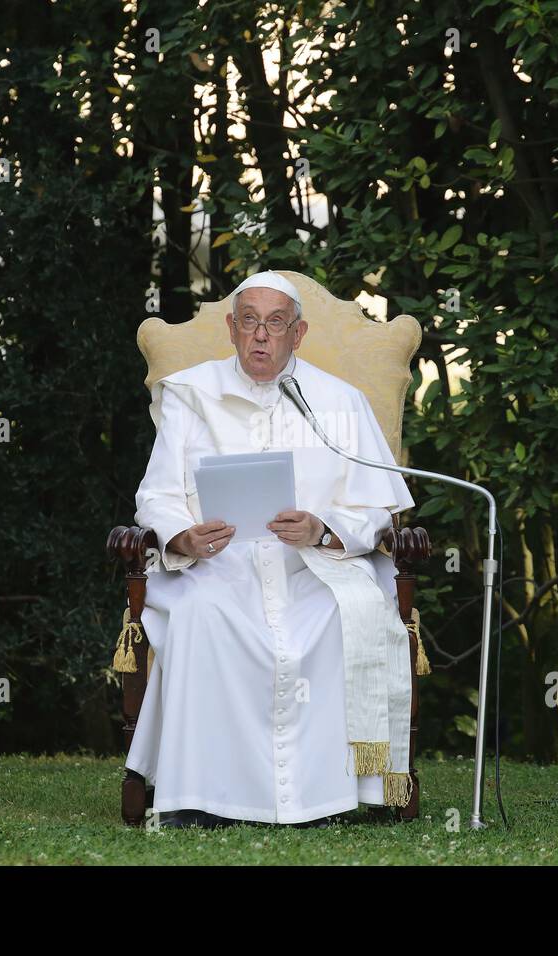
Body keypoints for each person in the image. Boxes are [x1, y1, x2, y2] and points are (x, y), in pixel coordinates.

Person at [122, 270, 416, 828]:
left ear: (298, 334)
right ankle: (200, 800)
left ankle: (329, 800)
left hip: (314, 569)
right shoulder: (189, 393)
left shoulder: (340, 402)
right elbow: (155, 494)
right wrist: (183, 535)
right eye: (250, 322)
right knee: (201, 616)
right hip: (217, 568)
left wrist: (324, 529)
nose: (261, 335)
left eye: (275, 323)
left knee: (339, 617)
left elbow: (380, 507)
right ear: (232, 329)